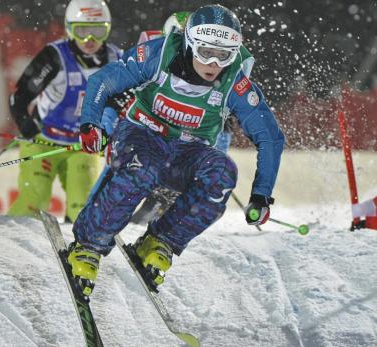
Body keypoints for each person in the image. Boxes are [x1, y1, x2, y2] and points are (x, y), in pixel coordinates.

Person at [68, 4, 285, 296]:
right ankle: (88, 244)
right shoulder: (158, 55)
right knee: (143, 170)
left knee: (222, 173)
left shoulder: (235, 81)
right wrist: (91, 124)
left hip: (187, 153)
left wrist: (261, 194)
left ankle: (160, 241)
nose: (213, 63)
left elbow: (270, 137)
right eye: (205, 51)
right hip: (141, 135)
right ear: (190, 44)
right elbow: (103, 81)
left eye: (224, 55)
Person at [7, 0, 122, 222]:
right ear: (69, 28)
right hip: (44, 139)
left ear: (107, 29)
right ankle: (10, 244)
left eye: (98, 31)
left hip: (83, 144)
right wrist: (26, 125)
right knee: (33, 200)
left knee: (82, 206)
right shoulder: (54, 57)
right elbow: (19, 97)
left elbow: (127, 101)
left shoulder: (117, 59)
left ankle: (74, 247)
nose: (90, 40)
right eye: (82, 31)